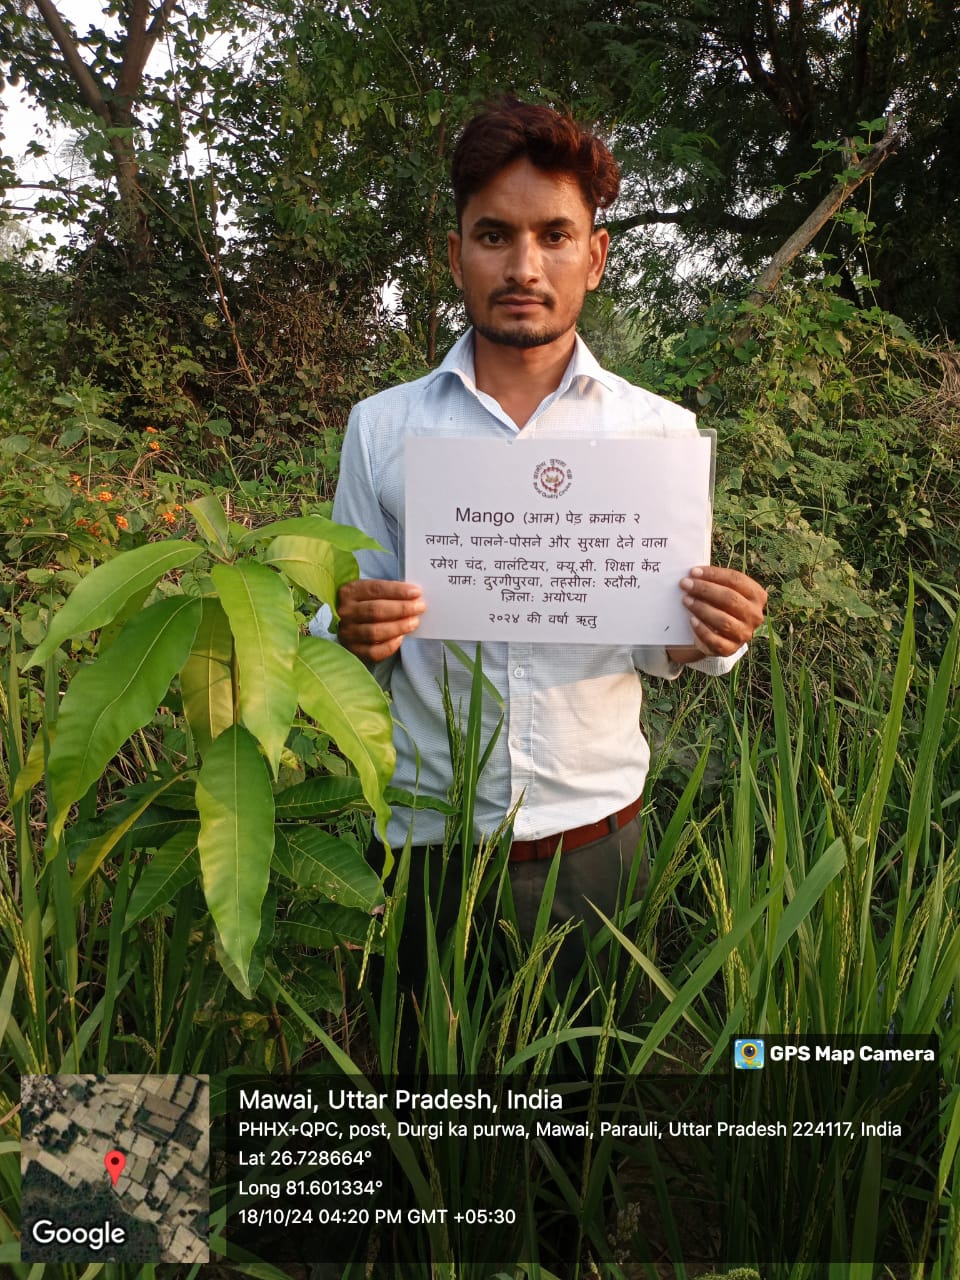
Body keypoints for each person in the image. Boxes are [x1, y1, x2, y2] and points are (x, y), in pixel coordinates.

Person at [325, 97, 767, 1012]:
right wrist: (349, 625)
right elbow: (344, 630)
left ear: (594, 258)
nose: (524, 265)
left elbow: (662, 640)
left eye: (555, 234)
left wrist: (709, 632)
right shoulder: (382, 428)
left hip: (594, 844)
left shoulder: (658, 433)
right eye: (494, 234)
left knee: (579, 1124)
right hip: (422, 844)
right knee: (430, 1113)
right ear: (456, 255)